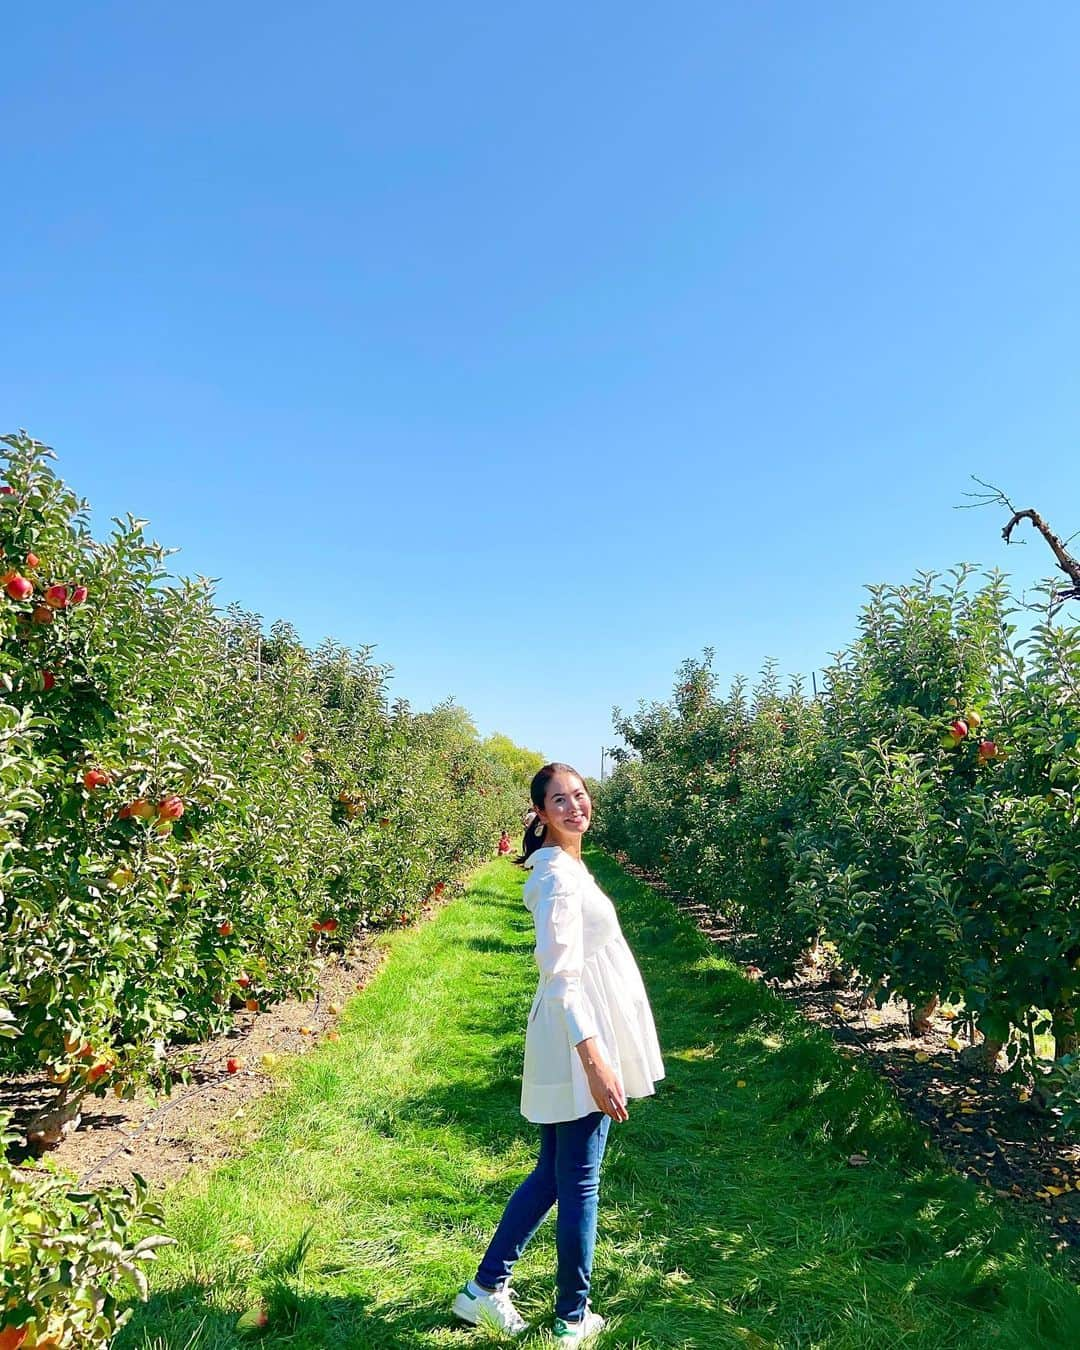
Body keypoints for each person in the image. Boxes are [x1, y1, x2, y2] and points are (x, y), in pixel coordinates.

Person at [452, 763, 664, 1342]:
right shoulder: (558, 879)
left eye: (579, 795)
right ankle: (573, 1316)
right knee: (581, 1180)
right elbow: (562, 975)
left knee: (554, 1172)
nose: (575, 807)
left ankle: (483, 1289)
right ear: (541, 813)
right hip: (580, 1036)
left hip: (577, 1033)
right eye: (559, 801)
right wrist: (595, 1062)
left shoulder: (565, 867)